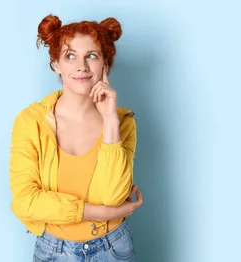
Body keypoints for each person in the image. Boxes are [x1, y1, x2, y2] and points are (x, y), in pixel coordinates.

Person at [9, 14, 143, 262]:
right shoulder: (31, 121)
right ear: (57, 65)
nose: (81, 66)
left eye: (92, 55)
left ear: (105, 64)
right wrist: (100, 212)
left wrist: (110, 121)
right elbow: (25, 201)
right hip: (53, 250)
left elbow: (114, 197)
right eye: (70, 56)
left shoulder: (122, 122)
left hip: (113, 248)